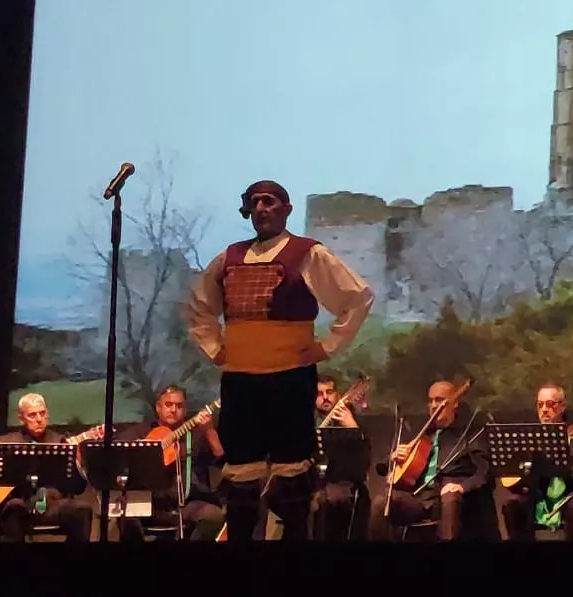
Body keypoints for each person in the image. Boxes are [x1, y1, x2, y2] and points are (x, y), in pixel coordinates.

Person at [187, 180, 374, 542]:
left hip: (290, 379)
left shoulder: (307, 253)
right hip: (241, 382)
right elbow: (199, 306)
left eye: (269, 201)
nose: (261, 208)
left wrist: (326, 347)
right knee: (241, 484)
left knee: (293, 487)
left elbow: (357, 297)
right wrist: (216, 349)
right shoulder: (229, 258)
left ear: (286, 210)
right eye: (255, 202)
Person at [0, 393, 98, 542]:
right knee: (14, 508)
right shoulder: (8, 441)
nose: (39, 419)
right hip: (20, 503)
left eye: (42, 413)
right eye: (32, 415)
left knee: (82, 510)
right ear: (21, 418)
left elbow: (77, 488)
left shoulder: (60, 442)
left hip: (53, 504)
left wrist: (77, 461)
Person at [371, 380, 495, 541]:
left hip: (452, 498)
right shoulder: (424, 435)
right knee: (381, 503)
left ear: (455, 403)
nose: (434, 405)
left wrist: (462, 487)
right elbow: (383, 468)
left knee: (449, 497)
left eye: (439, 400)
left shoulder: (468, 434)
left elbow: (485, 473)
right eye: (431, 401)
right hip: (422, 497)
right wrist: (393, 458)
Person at [114, 386, 226, 542]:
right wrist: (139, 450)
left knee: (212, 516)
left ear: (185, 410)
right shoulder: (141, 431)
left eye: (179, 406)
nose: (173, 410)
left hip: (189, 505)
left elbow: (220, 458)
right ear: (158, 408)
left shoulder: (197, 434)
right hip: (149, 505)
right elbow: (117, 452)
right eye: (168, 405)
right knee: (125, 517)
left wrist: (209, 430)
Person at [500, 383, 573, 542]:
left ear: (562, 407)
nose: (544, 409)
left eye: (550, 404)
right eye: (540, 404)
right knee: (512, 505)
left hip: (569, 496)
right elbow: (514, 478)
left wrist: (560, 459)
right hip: (536, 495)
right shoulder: (530, 436)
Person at [311, 374, 370, 541]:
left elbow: (364, 461)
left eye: (329, 392)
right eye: (319, 394)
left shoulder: (352, 421)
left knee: (326, 500)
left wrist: (352, 427)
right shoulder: (308, 421)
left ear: (337, 395)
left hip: (342, 483)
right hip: (310, 481)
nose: (325, 397)